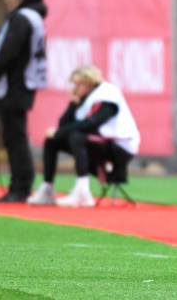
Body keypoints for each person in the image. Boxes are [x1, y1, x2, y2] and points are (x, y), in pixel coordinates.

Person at [27, 65, 140, 207]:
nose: (75, 88)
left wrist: (60, 132)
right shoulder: (85, 99)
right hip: (101, 143)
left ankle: (83, 192)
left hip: (121, 146)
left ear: (89, 82)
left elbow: (93, 123)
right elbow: (63, 125)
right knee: (52, 140)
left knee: (76, 136)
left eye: (78, 84)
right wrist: (73, 104)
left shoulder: (107, 93)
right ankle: (47, 189)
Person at [0, 0, 48, 203]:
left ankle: (20, 187)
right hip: (23, 85)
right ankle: (19, 185)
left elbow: (8, 54)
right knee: (15, 136)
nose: (6, 0)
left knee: (15, 137)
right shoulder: (33, 17)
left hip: (15, 86)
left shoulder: (21, 19)